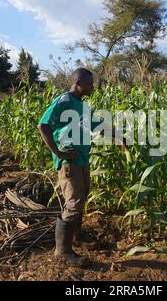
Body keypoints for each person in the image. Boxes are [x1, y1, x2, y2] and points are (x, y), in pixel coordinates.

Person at [38, 68, 127, 266]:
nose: (93, 86)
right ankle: (62, 251)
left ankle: (77, 237)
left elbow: (98, 125)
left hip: (82, 160)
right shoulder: (64, 101)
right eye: (89, 83)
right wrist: (59, 153)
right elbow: (43, 126)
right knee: (73, 203)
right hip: (69, 161)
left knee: (82, 196)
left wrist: (119, 136)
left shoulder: (83, 107)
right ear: (78, 83)